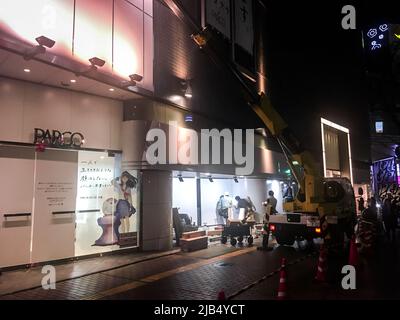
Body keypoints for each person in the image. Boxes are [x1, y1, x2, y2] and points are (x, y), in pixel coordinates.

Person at [111, 171, 138, 240]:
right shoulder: (119, 186)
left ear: (128, 179)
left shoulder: (128, 188)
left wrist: (131, 205)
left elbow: (130, 196)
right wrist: (118, 178)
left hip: (126, 203)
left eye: (126, 178)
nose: (125, 179)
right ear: (122, 178)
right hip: (120, 203)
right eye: (123, 178)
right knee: (122, 220)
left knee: (127, 219)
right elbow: (112, 182)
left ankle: (127, 234)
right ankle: (123, 235)